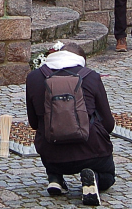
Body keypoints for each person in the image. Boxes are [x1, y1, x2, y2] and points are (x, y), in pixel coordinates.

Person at [25, 42, 115, 206]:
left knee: (46, 133)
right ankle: (93, 177)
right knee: (108, 176)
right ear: (81, 60)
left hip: (52, 154)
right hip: (92, 152)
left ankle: (55, 177)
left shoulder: (34, 78)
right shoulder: (91, 77)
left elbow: (33, 123)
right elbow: (108, 123)